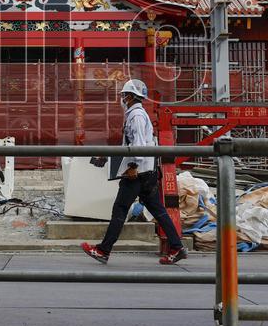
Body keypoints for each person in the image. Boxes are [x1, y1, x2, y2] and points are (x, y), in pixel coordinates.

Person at [81, 79, 188, 265]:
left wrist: (133, 167)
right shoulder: (137, 114)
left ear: (130, 97)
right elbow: (132, 144)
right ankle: (176, 247)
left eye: (124, 95)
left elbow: (138, 145)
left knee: (120, 209)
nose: (122, 99)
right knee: (158, 210)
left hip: (137, 174)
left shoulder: (136, 116)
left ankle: (103, 250)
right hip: (147, 172)